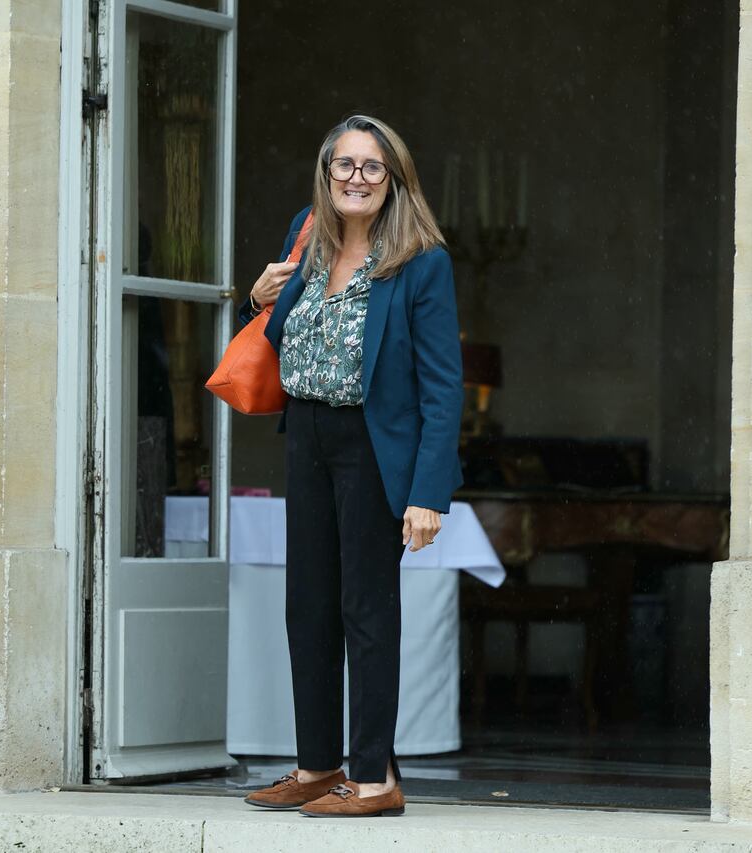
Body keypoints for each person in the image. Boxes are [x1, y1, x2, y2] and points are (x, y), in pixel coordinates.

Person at [240, 115, 462, 818]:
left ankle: (374, 777)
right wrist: (259, 297)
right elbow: (286, 334)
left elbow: (442, 384)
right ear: (327, 172)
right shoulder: (308, 232)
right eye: (345, 165)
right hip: (306, 431)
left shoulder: (421, 259)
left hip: (373, 442)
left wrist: (428, 491)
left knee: (366, 609)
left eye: (371, 166)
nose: (356, 178)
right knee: (308, 605)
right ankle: (316, 764)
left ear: (394, 178)